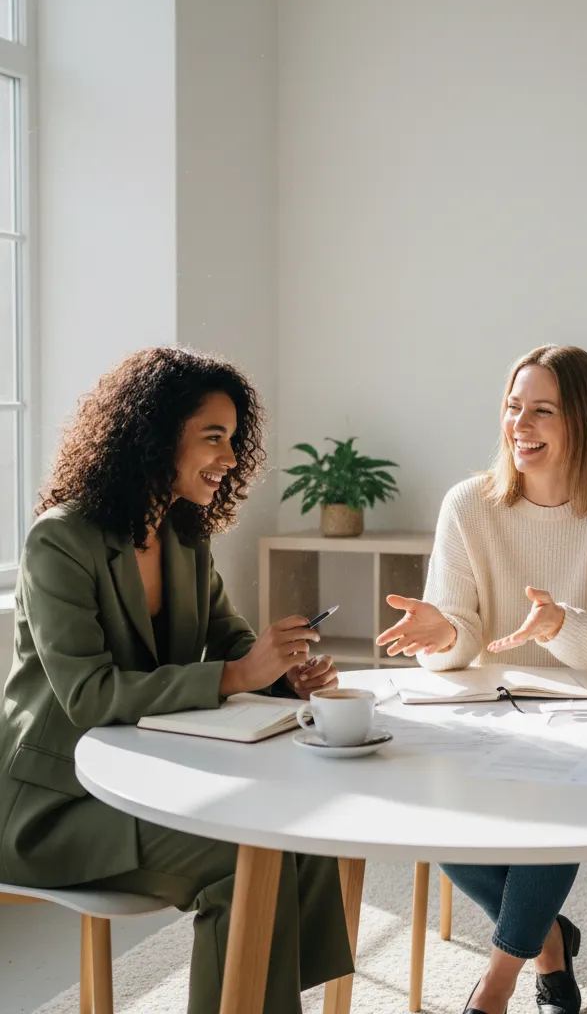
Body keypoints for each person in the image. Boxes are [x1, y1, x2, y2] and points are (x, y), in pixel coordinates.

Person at [0, 347, 351, 1014]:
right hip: (54, 809)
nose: (228, 455)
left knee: (298, 837)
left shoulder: (185, 539)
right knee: (241, 861)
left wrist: (283, 677)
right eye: (211, 436)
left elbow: (227, 637)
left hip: (143, 781)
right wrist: (237, 675)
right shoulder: (60, 542)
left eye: (234, 438)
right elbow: (89, 696)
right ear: (155, 436)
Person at [375, 345, 587, 1014]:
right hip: (480, 716)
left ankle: (495, 987)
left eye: (542, 411)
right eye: (512, 407)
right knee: (421, 804)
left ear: (583, 421)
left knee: (553, 798)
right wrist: (442, 633)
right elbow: (462, 632)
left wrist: (557, 624)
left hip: (585, 724)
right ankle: (551, 946)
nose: (519, 424)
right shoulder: (468, 505)